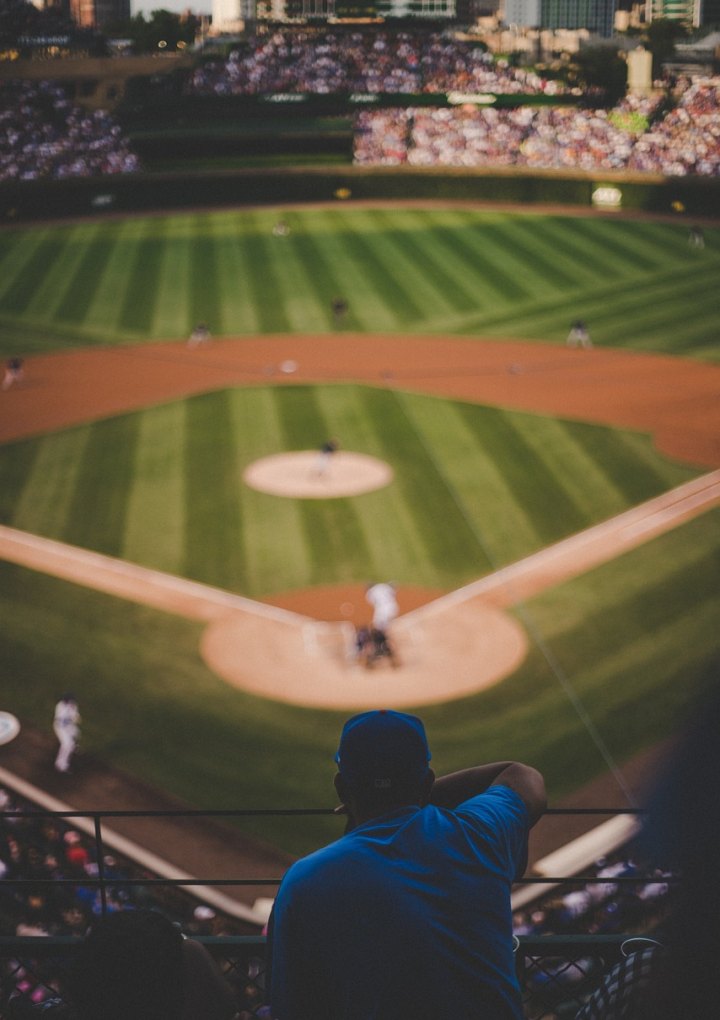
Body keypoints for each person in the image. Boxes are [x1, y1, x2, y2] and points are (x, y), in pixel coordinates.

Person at [267, 709, 546, 1019]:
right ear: (427, 782)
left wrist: (370, 797)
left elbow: (292, 1007)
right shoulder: (481, 834)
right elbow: (522, 776)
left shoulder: (304, 881)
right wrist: (417, 795)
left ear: (342, 789)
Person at [53, 694, 80, 774]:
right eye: (69, 701)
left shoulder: (73, 705)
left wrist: (75, 717)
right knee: (67, 744)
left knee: (76, 733)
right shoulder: (60, 706)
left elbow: (75, 715)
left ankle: (73, 747)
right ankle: (60, 764)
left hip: (68, 725)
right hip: (60, 727)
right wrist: (73, 718)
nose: (71, 702)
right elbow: (63, 720)